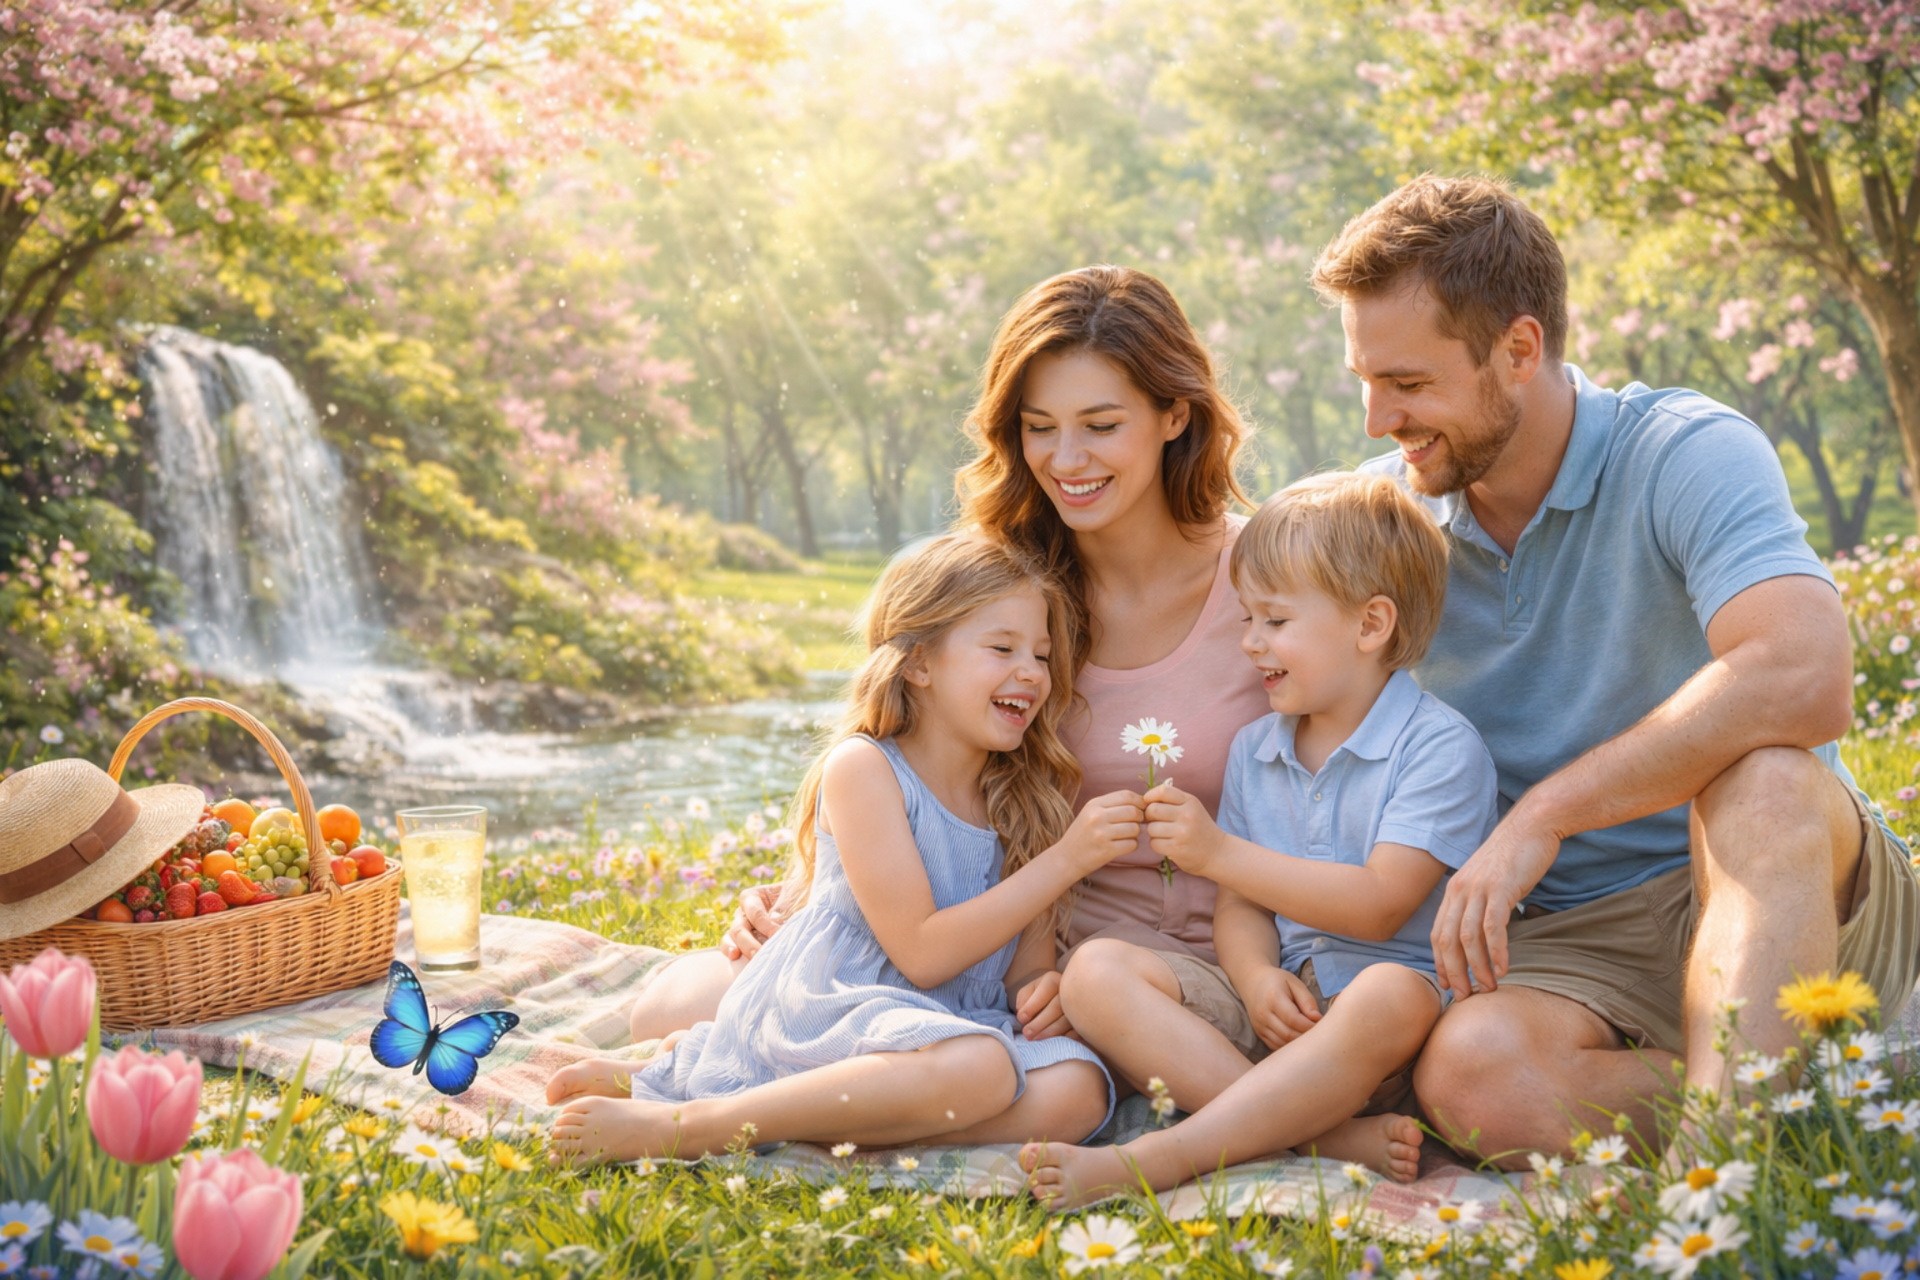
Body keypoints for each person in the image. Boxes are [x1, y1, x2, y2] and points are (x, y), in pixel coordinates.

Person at [1308, 174, 1920, 1166]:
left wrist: (1544, 811)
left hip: (1776, 879)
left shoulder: (1683, 449)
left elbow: (1806, 672)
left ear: (1519, 349)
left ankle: (1719, 1192)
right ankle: (1835, 1098)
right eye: (1362, 380)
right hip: (1579, 938)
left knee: (1767, 779)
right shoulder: (1383, 522)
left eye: (1409, 383)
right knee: (1471, 1075)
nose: (1378, 417)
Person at [625, 265, 1274, 1073]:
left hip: (1188, 972)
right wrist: (805, 891)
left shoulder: (1271, 579)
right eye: (1040, 427)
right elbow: (901, 760)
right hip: (998, 953)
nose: (1066, 459)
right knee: (688, 1002)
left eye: (1101, 425)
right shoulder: (1006, 592)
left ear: (1175, 415)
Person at [546, 534, 1132, 1163]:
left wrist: (1045, 997)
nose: (1032, 673)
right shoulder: (865, 769)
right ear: (919, 662)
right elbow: (923, 955)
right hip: (839, 1005)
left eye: (1042, 655)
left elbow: (1022, 978)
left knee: (1080, 1090)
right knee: (986, 1071)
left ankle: (793, 1102)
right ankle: (701, 1123)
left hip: (949, 1029)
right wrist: (1066, 860)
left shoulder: (1026, 799)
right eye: (1002, 648)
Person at [1023, 472, 1499, 1207]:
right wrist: (1251, 979)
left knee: (1389, 994)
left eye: (1274, 622)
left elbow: (1379, 905)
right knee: (1095, 972)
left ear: (1371, 626)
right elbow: (1239, 907)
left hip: (1382, 1032)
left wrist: (1215, 852)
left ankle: (1165, 1155)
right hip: (1276, 1010)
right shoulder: (1256, 748)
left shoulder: (1439, 747)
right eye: (1246, 619)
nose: (1250, 643)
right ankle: (1313, 1138)